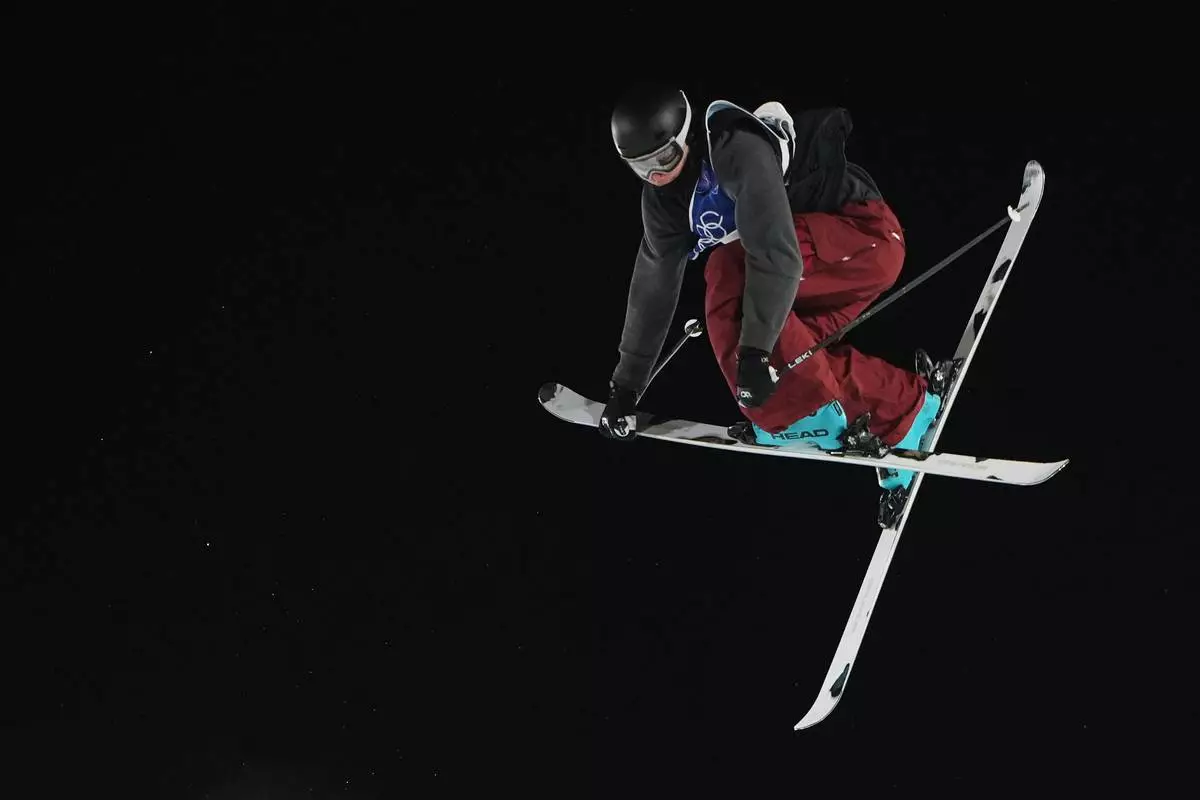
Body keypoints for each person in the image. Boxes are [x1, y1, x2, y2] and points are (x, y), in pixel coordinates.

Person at [596, 82, 958, 496]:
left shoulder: (735, 151)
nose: (657, 174)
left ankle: (799, 414)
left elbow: (775, 253)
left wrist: (754, 353)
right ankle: (906, 412)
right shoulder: (663, 203)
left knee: (729, 272)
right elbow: (653, 286)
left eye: (665, 158)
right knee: (797, 356)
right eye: (643, 168)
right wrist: (626, 387)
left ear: (688, 138)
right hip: (808, 268)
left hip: (864, 239)